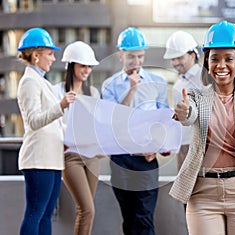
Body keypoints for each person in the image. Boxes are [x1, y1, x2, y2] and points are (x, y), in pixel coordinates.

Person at [169, 20, 235, 235]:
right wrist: (184, 112)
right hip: (203, 195)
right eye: (214, 58)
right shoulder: (195, 96)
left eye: (229, 59)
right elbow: (189, 114)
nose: (221, 65)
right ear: (207, 63)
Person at [101, 27, 169, 235]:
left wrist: (156, 146)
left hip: (146, 159)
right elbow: (115, 121)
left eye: (140, 56)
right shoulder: (110, 85)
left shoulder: (158, 83)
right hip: (120, 159)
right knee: (129, 218)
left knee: (144, 217)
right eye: (131, 56)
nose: (136, 62)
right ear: (120, 55)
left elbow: (163, 121)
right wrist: (131, 89)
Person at [17, 28, 76, 235]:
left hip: (51, 159)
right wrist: (60, 105)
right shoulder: (29, 82)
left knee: (45, 214)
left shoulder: (42, 82)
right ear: (36, 56)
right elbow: (34, 121)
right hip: (38, 160)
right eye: (49, 53)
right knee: (35, 213)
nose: (53, 58)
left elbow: (52, 124)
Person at [52, 41, 101, 235]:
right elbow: (54, 122)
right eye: (83, 66)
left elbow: (98, 125)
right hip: (70, 156)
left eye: (89, 66)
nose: (87, 70)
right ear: (71, 66)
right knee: (87, 209)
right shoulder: (57, 92)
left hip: (91, 156)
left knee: (85, 211)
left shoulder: (93, 93)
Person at [163, 30, 203, 172]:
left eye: (179, 58)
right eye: (173, 59)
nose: (175, 63)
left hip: (203, 146)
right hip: (183, 145)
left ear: (192, 55)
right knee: (185, 191)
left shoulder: (205, 78)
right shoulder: (178, 84)